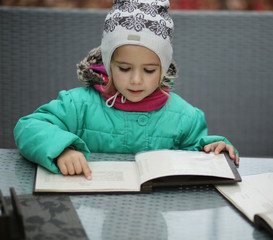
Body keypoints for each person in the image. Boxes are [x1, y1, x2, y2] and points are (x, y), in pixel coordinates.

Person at [14, 0, 239, 180]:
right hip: (92, 199)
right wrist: (61, 149)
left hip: (155, 205)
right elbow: (29, 127)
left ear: (163, 69)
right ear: (108, 63)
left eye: (149, 70)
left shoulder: (184, 117)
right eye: (124, 68)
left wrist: (211, 150)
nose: (136, 80)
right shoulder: (78, 105)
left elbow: (194, 154)